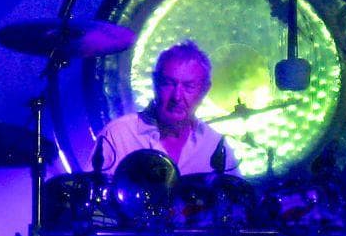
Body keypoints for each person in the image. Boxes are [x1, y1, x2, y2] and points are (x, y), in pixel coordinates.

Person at [95, 40, 240, 176]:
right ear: (155, 83)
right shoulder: (118, 134)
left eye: (188, 86)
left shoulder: (214, 145)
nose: (177, 96)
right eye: (169, 84)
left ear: (205, 90)